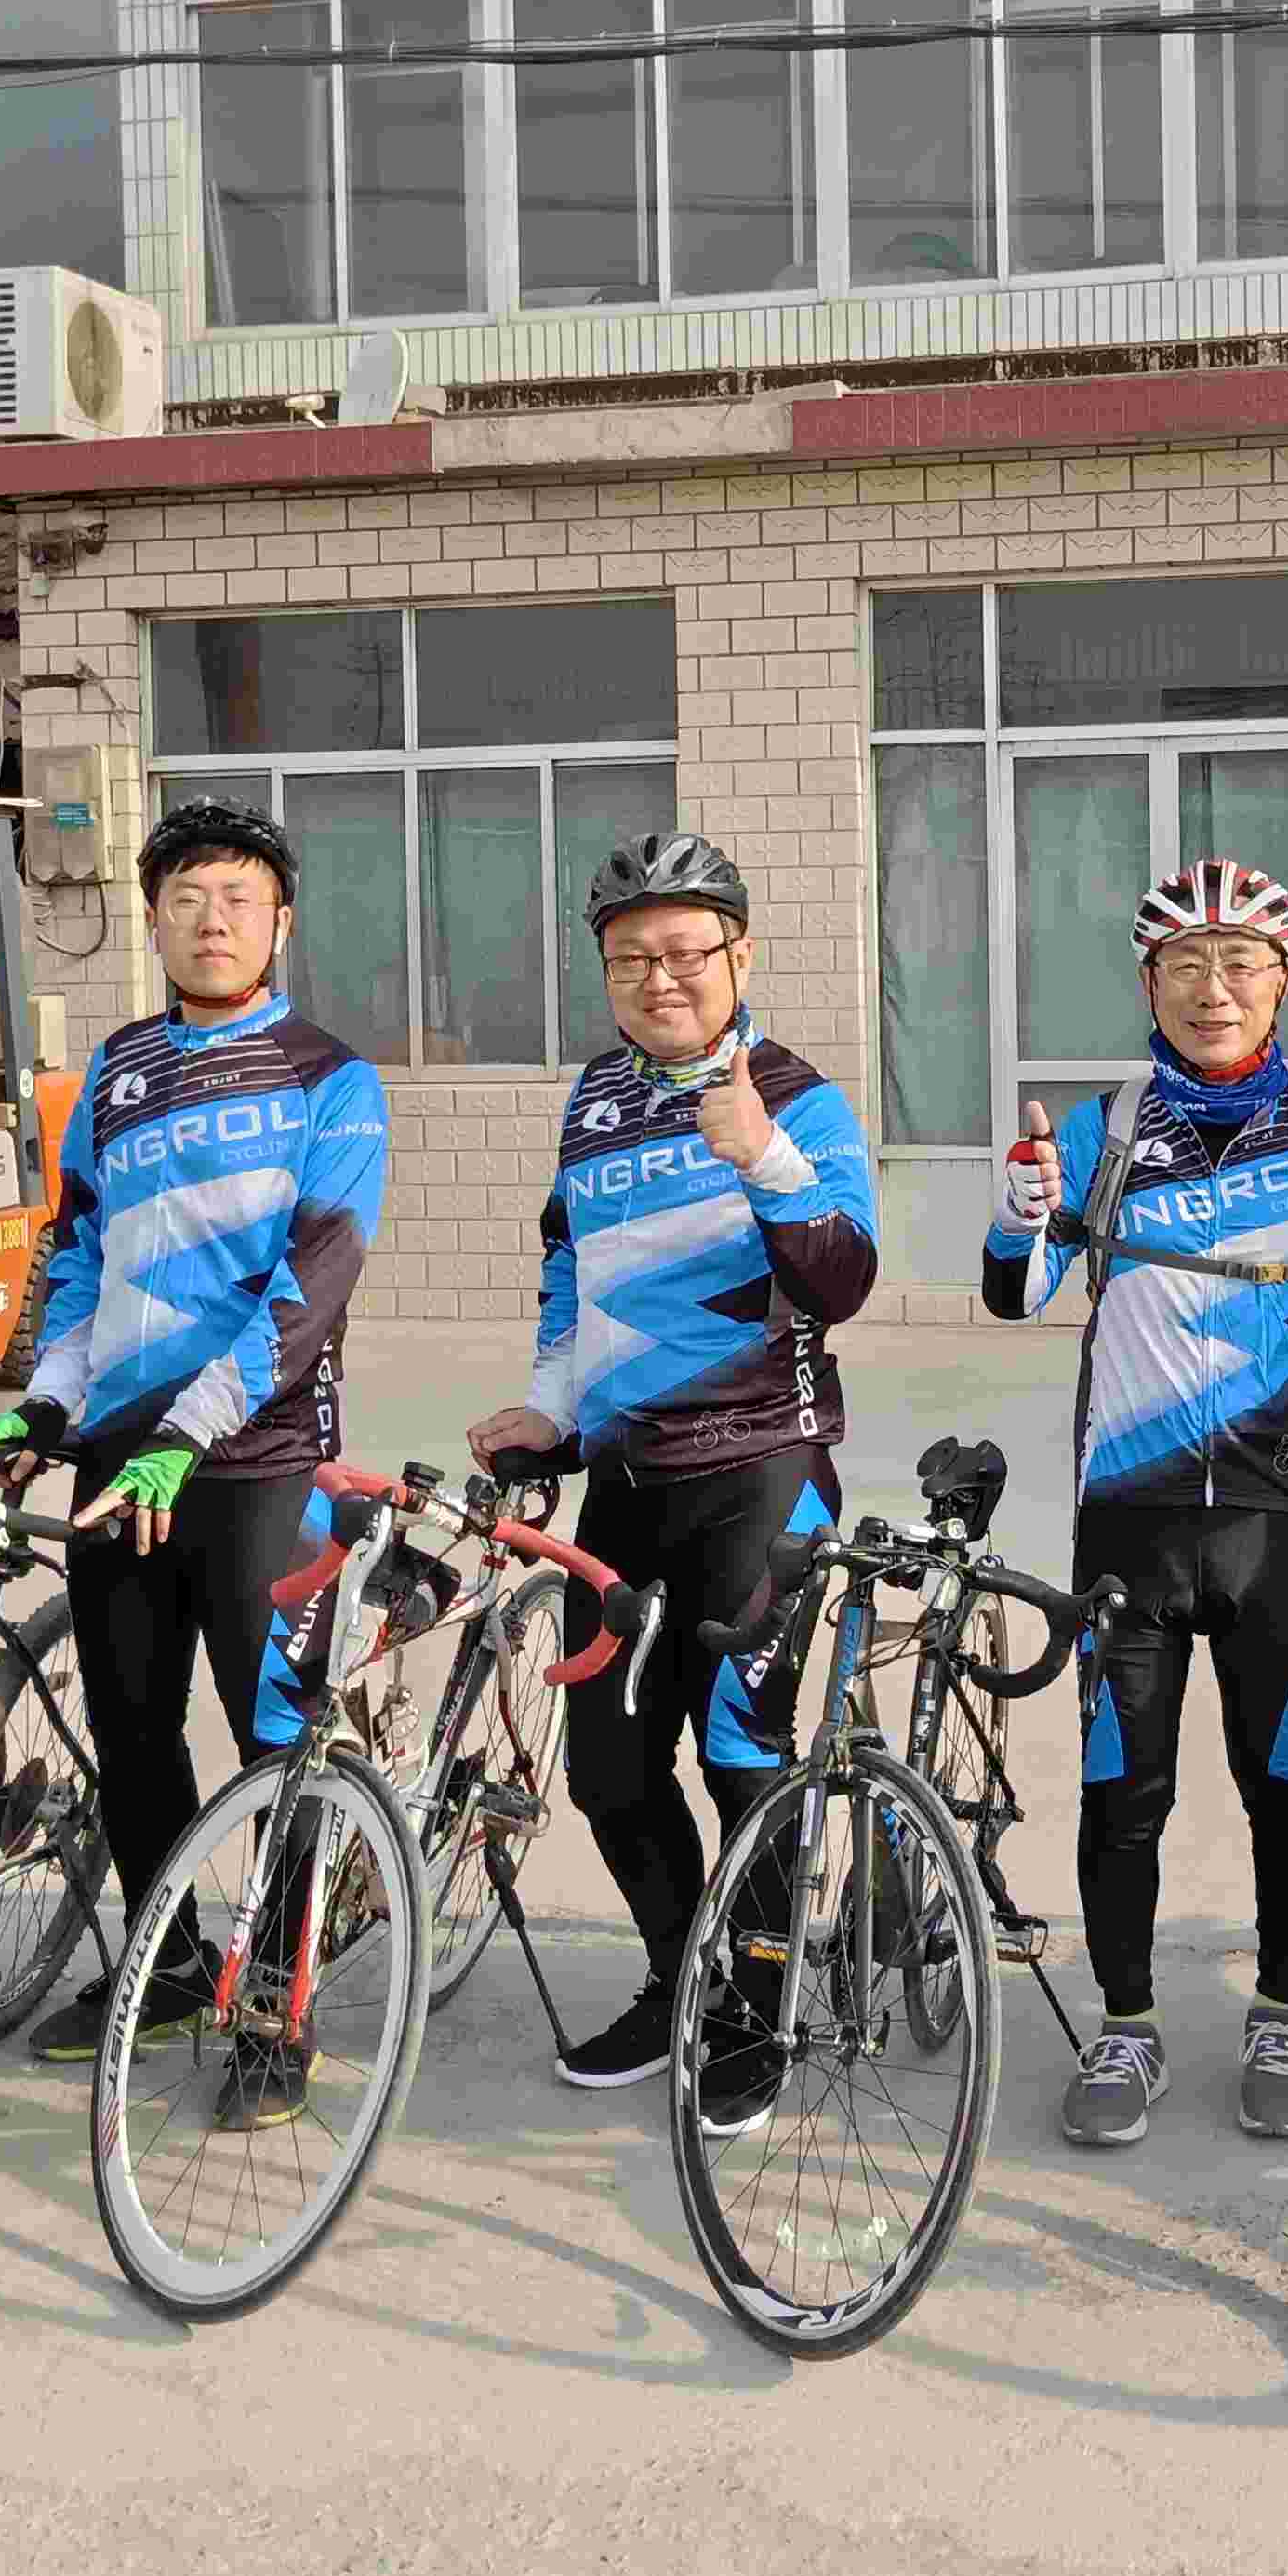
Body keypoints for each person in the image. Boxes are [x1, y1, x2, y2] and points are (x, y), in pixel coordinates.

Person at [983, 859, 1288, 2149]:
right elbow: (1018, 1296)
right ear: (1148, 983)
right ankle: (1127, 2027)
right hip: (1130, 1522)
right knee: (1123, 1787)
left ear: (1282, 983)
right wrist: (1019, 1217)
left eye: (1240, 965)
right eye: (1184, 966)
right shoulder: (1104, 1134)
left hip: (1280, 1519)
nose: (1212, 990)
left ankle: (1283, 2007)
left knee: (1284, 1778)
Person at [0, 797, 390, 2125]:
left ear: (281, 923)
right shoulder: (116, 1069)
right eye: (186, 900)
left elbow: (312, 1284)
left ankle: (277, 2006)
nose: (212, 921)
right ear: (153, 922)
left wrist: (187, 1430)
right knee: (133, 1731)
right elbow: (80, 1256)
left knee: (277, 1744)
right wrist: (48, 1405)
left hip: (259, 1458)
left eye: (238, 899)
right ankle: (167, 1969)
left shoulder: (330, 1077)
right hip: (120, 1459)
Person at [464, 832, 878, 2133]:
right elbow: (568, 1272)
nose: (661, 977)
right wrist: (551, 1406)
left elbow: (845, 1281)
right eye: (632, 957)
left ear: (739, 956)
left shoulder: (798, 1095)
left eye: (688, 951)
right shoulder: (594, 1098)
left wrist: (762, 1155)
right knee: (608, 1768)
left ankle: (759, 2007)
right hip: (629, 1482)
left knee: (742, 1755)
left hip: (762, 1472)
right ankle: (681, 1973)